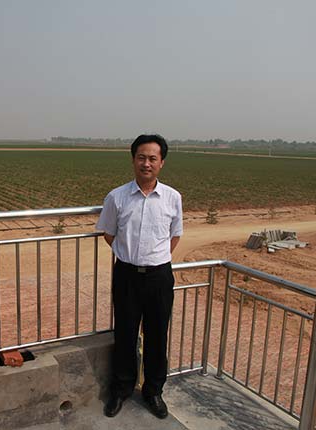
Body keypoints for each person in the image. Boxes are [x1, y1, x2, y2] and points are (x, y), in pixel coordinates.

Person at [96, 134, 183, 419]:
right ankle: (121, 389)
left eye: (152, 158)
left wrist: (153, 258)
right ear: (133, 160)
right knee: (125, 333)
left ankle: (153, 391)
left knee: (157, 335)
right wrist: (131, 255)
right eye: (141, 157)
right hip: (127, 276)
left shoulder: (172, 198)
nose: (146, 163)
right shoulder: (117, 197)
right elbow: (109, 234)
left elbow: (174, 236)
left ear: (162, 163)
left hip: (159, 277)